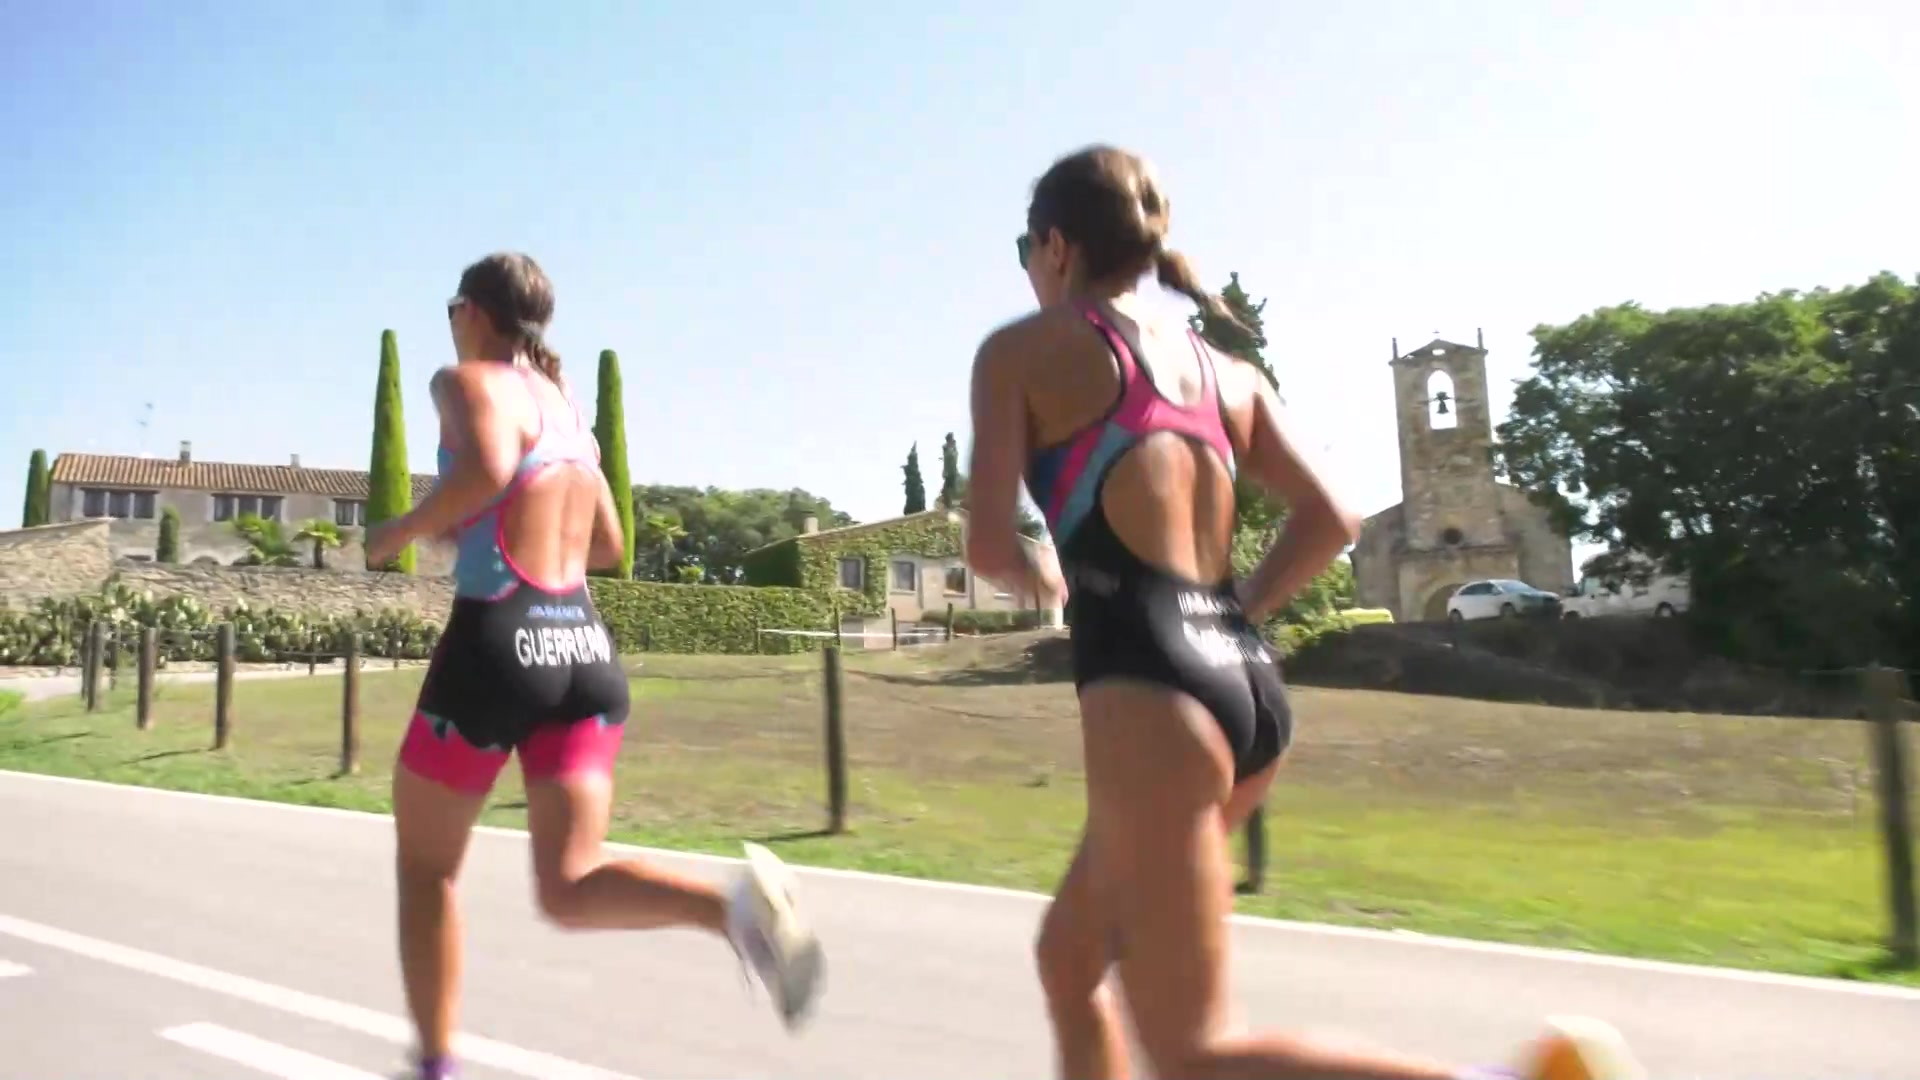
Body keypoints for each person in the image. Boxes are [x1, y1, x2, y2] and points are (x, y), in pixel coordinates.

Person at [962, 146, 1645, 1080]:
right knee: (1070, 957)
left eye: (1026, 251)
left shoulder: (1021, 352)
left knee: (1193, 1050)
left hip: (1153, 699)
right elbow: (1334, 516)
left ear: (1055, 245)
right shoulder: (1227, 373)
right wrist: (1235, 609)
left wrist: (1051, 580)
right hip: (1246, 692)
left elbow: (989, 548)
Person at [365, 252, 824, 1080]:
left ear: (474, 311)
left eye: (451, 308)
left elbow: (490, 471)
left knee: (426, 870)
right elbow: (610, 544)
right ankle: (735, 908)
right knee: (568, 884)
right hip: (583, 654)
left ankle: (436, 1067)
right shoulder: (571, 413)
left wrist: (397, 532)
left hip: (498, 642)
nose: (450, 323)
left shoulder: (468, 381)